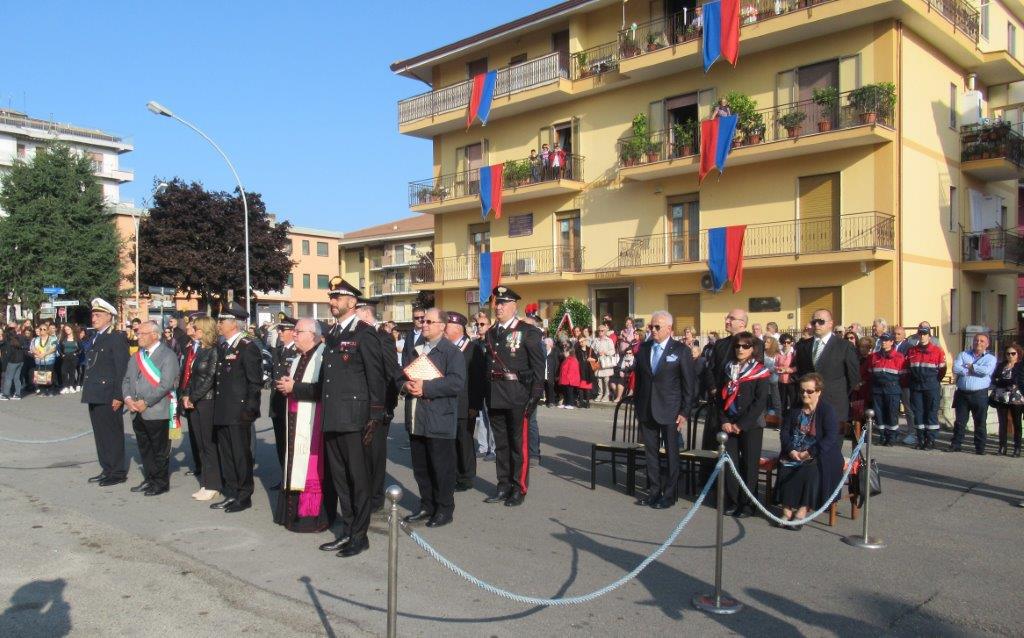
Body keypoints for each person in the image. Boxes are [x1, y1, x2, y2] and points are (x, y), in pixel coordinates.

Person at [301, 277, 386, 558]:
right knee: (340, 479)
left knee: (358, 480)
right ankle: (347, 531)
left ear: (352, 301)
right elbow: (328, 381)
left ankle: (359, 537)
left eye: (337, 298)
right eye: (331, 297)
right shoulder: (334, 334)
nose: (332, 302)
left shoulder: (365, 333)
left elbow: (376, 377)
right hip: (333, 416)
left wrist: (374, 417)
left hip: (355, 418)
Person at [401, 308, 466, 528]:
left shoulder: (451, 352)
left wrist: (426, 387)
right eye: (421, 320)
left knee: (441, 467)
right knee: (421, 467)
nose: (424, 324)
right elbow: (401, 375)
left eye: (429, 321)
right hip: (416, 416)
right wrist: (406, 385)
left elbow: (457, 382)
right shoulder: (415, 349)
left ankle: (444, 509)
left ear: (442, 325)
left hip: (439, 418)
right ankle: (426, 504)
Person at [480, 286, 544, 507]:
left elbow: (538, 367)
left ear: (514, 306)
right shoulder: (490, 333)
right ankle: (503, 484)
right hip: (495, 394)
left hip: (518, 394)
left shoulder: (528, 332)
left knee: (518, 445)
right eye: (497, 303)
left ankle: (518, 487)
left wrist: (535, 396)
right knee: (501, 445)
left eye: (504, 303)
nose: (499, 307)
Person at [272, 318, 332, 532]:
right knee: (293, 463)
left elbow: (323, 390)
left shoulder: (323, 355)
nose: (294, 334)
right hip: (294, 418)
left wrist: (294, 387)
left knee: (309, 468)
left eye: (298, 331)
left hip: (312, 421)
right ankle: (290, 515)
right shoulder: (299, 356)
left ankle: (310, 518)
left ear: (312, 334)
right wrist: (288, 386)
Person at [633, 310, 696, 509]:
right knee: (650, 453)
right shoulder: (643, 349)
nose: (653, 330)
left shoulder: (680, 350)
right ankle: (653, 491)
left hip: (670, 410)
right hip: (647, 409)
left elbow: (689, 384)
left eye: (657, 327)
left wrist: (685, 411)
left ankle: (669, 494)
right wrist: (637, 406)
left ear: (669, 328)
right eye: (651, 326)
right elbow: (640, 381)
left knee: (671, 453)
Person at [210, 302, 263, 513]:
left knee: (241, 455)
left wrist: (250, 409)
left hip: (239, 411)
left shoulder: (247, 347)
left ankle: (244, 494)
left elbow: (254, 382)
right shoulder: (223, 346)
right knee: (227, 454)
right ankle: (231, 492)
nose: (219, 324)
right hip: (223, 409)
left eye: (222, 320)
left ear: (234, 323)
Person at [776, 373, 843, 529]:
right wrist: (790, 449)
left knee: (811, 469)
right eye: (802, 391)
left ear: (818, 391)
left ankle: (802, 511)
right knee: (785, 465)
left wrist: (810, 452)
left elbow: (830, 437)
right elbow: (784, 432)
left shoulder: (827, 411)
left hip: (820, 453)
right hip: (795, 449)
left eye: (809, 391)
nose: (804, 394)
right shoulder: (794, 409)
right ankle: (786, 511)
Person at [715, 331, 770, 517]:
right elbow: (720, 398)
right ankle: (733, 500)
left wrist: (742, 424)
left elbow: (760, 401)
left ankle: (748, 504)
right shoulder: (728, 368)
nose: (740, 349)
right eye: (738, 346)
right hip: (729, 424)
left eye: (745, 346)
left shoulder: (760, 371)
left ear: (753, 349)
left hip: (751, 425)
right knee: (731, 464)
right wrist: (725, 421)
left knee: (749, 464)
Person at [122, 320, 180, 497]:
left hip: (156, 410)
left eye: (142, 334)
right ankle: (149, 478)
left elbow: (166, 384)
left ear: (155, 335)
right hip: (136, 410)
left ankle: (160, 482)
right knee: (144, 447)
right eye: (138, 333)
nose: (138, 336)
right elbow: (126, 380)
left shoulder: (167, 356)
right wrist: (128, 398)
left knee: (159, 449)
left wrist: (146, 401)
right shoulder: (136, 356)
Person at [81, 299, 130, 487]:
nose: (94, 318)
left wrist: (119, 395)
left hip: (109, 394)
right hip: (95, 392)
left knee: (112, 434)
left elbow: (122, 369)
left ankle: (117, 471)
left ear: (109, 317)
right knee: (100, 435)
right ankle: (107, 468)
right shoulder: (96, 337)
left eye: (98, 315)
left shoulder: (115, 338)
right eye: (93, 315)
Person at [180, 316, 221, 501]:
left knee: (208, 444)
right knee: (200, 444)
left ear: (205, 330)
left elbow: (210, 379)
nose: (194, 331)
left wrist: (194, 397)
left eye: (196, 328)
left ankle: (213, 484)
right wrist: (187, 395)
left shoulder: (214, 351)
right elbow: (191, 376)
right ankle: (205, 482)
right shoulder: (200, 350)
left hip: (207, 402)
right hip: (195, 401)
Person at [793, 309, 859, 425]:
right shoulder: (803, 346)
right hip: (809, 405)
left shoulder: (844, 346)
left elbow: (853, 378)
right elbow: (801, 374)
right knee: (809, 442)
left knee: (832, 441)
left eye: (821, 321)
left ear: (830, 323)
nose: (817, 325)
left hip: (835, 404)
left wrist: (838, 392)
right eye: (814, 322)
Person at [445, 312, 486, 491]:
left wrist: (475, 405)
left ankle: (466, 476)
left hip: (465, 403)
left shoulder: (472, 348)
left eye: (447, 325)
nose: (444, 328)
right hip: (446, 403)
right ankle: (452, 473)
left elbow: (478, 380)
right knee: (449, 441)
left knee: (464, 441)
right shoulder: (445, 347)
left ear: (458, 328)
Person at [701, 308, 748, 456]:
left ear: (741, 323)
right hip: (718, 402)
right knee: (711, 447)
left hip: (739, 405)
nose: (727, 321)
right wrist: (713, 388)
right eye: (727, 318)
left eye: (731, 318)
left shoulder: (753, 343)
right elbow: (709, 369)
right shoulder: (720, 344)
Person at [949, 333, 997, 454]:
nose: (978, 343)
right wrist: (973, 369)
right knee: (960, 421)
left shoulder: (990, 358)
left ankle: (980, 447)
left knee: (980, 421)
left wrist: (971, 367)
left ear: (987, 344)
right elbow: (955, 368)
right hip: (962, 394)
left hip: (979, 394)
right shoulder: (963, 354)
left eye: (982, 341)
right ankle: (956, 444)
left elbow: (986, 371)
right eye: (976, 340)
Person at [904, 324, 947, 450]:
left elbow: (942, 370)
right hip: (916, 386)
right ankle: (921, 438)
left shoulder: (937, 351)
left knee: (931, 413)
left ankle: (930, 440)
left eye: (925, 334)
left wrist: (934, 381)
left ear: (929, 336)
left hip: (931, 386)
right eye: (920, 334)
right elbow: (908, 368)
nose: (922, 336)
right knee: (918, 413)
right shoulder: (912, 351)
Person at [269, 316, 299, 486]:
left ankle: (292, 479)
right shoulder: (279, 350)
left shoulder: (296, 352)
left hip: (289, 404)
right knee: (281, 444)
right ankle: (285, 477)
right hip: (277, 405)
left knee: (290, 445)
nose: (280, 332)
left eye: (283, 330)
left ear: (292, 332)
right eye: (279, 329)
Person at [867, 333, 905, 446]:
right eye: (882, 340)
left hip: (892, 390)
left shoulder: (899, 357)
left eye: (887, 340)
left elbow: (903, 376)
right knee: (879, 414)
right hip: (877, 390)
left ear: (892, 342)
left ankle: (891, 437)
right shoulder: (874, 356)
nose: (884, 342)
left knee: (891, 414)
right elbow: (870, 373)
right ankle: (882, 436)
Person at [990, 342, 1024, 456]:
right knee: (1002, 423)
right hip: (1001, 397)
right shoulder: (1001, 365)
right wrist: (1005, 382)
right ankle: (1002, 447)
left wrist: (1002, 381)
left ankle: (1017, 448)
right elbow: (994, 379)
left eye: (1013, 353)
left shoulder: (1020, 366)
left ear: (1018, 354)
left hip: (1016, 398)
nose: (1010, 356)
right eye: (1008, 354)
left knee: (1017, 423)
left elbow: (1016, 381)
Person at [31, 323, 58, 396]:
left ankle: (50, 389)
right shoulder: (36, 339)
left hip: (49, 359)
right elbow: (32, 348)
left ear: (47, 330)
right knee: (40, 374)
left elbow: (54, 348)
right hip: (39, 359)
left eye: (44, 329)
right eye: (40, 329)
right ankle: (42, 389)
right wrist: (37, 353)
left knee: (49, 374)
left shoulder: (52, 338)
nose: (42, 330)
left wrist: (44, 354)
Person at [592, 324, 616, 402]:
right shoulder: (595, 340)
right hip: (598, 361)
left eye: (602, 330)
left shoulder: (609, 340)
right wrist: (596, 352)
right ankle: (600, 394)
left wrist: (605, 352)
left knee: (606, 380)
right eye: (599, 330)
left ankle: (607, 395)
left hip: (606, 362)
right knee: (598, 379)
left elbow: (613, 351)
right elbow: (592, 350)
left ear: (605, 331)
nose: (600, 332)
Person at [775, 333, 797, 414]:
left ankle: (794, 421)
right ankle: (783, 421)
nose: (786, 344)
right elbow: (775, 365)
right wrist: (778, 369)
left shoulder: (794, 353)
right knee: (783, 402)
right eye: (784, 342)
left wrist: (787, 370)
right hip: (781, 381)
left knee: (793, 402)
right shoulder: (779, 353)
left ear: (791, 342)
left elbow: (797, 366)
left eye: (788, 342)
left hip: (791, 381)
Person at [0, 328, 25, 400]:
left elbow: (8, 354)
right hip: (21, 361)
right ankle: (18, 394)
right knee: (16, 378)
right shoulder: (19, 339)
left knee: (8, 378)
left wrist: (5, 361)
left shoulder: (9, 342)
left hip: (13, 362)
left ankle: (6, 394)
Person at [609, 339, 635, 403]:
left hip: (628, 374)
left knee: (620, 382)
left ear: (632, 353)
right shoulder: (622, 357)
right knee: (612, 382)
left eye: (630, 353)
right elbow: (618, 365)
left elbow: (632, 367)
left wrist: (623, 370)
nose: (628, 354)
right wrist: (620, 370)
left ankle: (618, 398)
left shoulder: (634, 359)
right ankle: (619, 396)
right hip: (619, 373)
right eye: (627, 353)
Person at [558, 341, 581, 409]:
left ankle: (570, 404)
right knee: (565, 392)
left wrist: (569, 379)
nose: (564, 353)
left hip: (570, 380)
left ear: (569, 353)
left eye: (565, 352)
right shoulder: (566, 359)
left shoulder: (573, 360)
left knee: (570, 392)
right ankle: (566, 403)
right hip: (565, 379)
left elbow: (572, 371)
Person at [58, 324, 80, 394]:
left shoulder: (76, 338)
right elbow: (59, 348)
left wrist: (76, 353)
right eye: (65, 330)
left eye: (68, 329)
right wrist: (62, 354)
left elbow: (81, 348)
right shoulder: (63, 338)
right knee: (63, 371)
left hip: (73, 356)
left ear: (71, 329)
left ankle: (71, 386)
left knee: (72, 372)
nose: (67, 331)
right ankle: (65, 387)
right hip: (65, 356)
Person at [542, 336, 560, 407]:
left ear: (550, 345)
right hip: (544, 372)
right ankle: (547, 400)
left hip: (552, 373)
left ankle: (551, 401)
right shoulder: (543, 353)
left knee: (550, 387)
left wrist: (556, 374)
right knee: (545, 386)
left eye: (545, 344)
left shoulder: (554, 353)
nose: (544, 346)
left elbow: (557, 364)